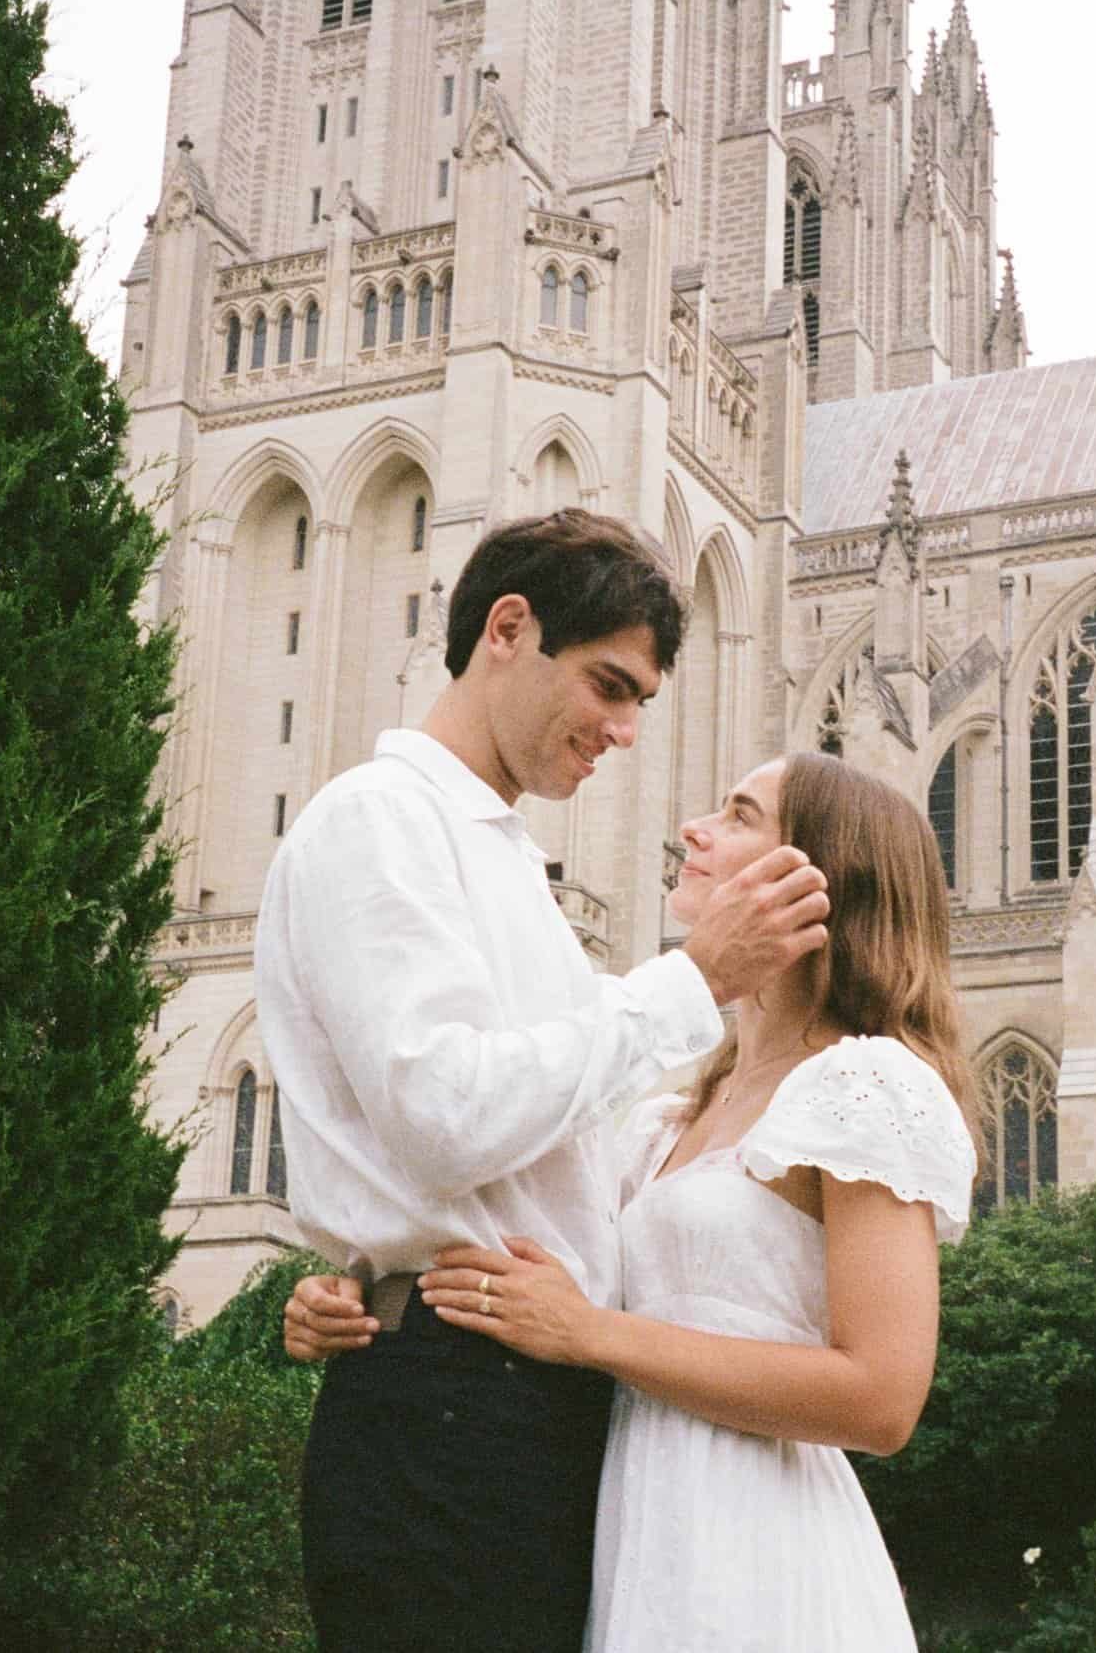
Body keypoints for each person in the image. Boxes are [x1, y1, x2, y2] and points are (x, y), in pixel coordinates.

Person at [256, 508, 832, 1653]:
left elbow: (544, 1156)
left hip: (520, 1397)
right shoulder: (380, 822)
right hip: (456, 1409)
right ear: (507, 629)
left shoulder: (498, 854)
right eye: (608, 686)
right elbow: (444, 1115)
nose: (622, 731)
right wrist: (691, 981)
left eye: (640, 703)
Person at [288, 751, 980, 1650]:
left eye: (739, 815)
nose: (696, 828)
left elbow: (882, 1397)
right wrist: (369, 1286)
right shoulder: (666, 1116)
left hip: (757, 1541)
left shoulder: (868, 1082)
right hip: (627, 1521)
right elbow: (535, 1261)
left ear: (820, 878)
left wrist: (591, 1334)